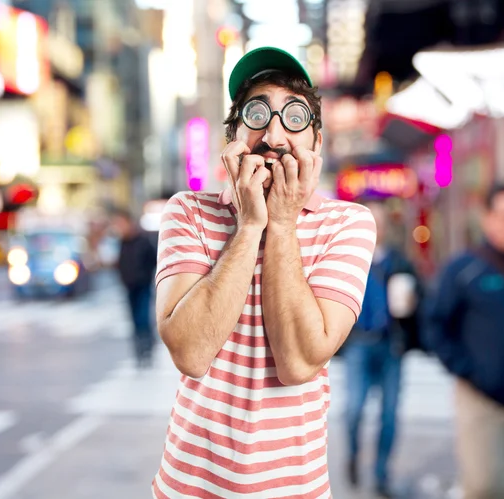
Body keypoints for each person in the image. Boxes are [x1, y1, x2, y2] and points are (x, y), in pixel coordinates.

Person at [152, 46, 377, 498]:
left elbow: (298, 361)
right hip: (186, 486)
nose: (273, 135)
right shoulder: (188, 212)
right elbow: (191, 354)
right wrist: (251, 225)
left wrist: (283, 223)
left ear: (315, 142)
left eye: (293, 118)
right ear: (232, 137)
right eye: (257, 115)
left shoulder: (349, 223)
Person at [427, 184, 504, 499]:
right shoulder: (464, 269)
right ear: (488, 219)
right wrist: (468, 370)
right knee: (488, 486)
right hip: (483, 401)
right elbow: (435, 325)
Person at [343, 201, 423, 498]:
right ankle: (352, 455)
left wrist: (413, 305)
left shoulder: (400, 262)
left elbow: (419, 301)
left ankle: (380, 474)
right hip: (358, 344)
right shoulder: (347, 260)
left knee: (389, 415)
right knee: (353, 410)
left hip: (391, 344)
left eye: (378, 222)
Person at [112, 208, 157, 368]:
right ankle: (139, 350)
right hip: (129, 286)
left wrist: (145, 275)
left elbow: (153, 260)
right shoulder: (122, 242)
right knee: (134, 319)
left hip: (143, 284)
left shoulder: (143, 239)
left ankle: (147, 347)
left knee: (143, 317)